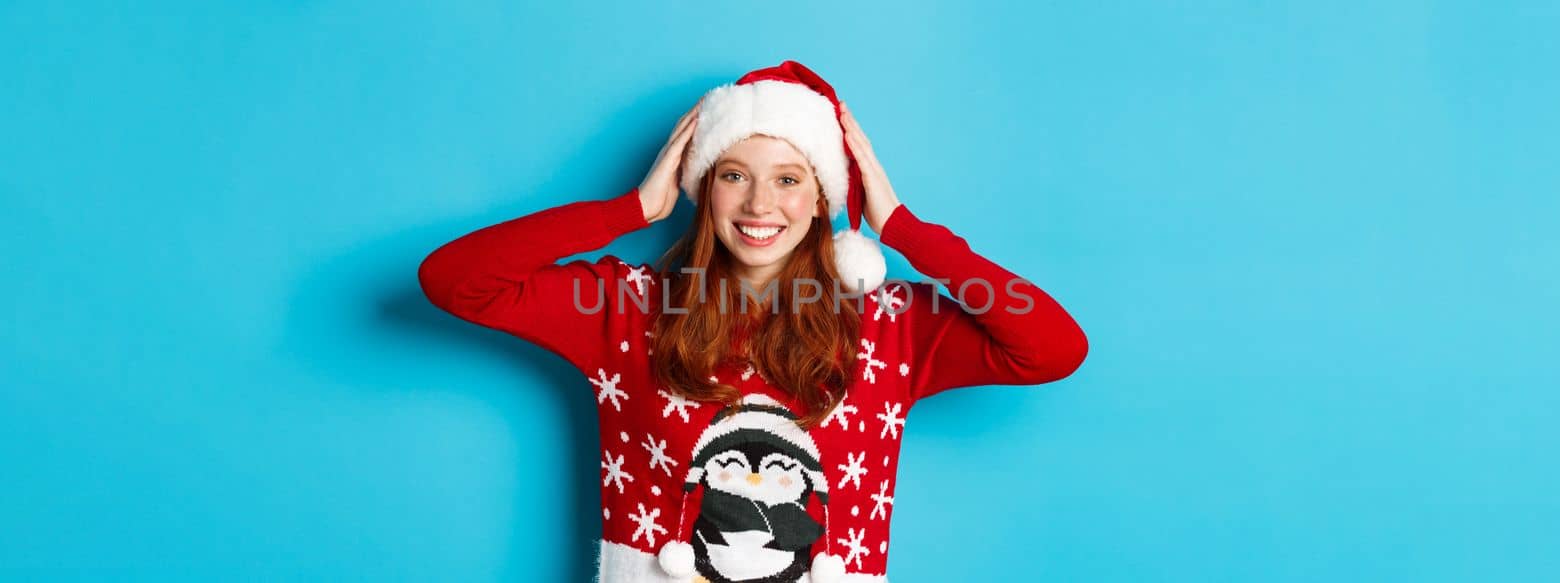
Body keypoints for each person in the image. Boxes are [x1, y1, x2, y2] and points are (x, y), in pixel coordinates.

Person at [418, 61, 1088, 583]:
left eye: (790, 179)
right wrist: (628, 211)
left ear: (823, 197)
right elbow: (454, 281)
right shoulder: (624, 307)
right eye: (734, 174)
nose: (760, 202)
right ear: (703, 185)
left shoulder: (893, 326)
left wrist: (904, 229)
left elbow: (1053, 346)